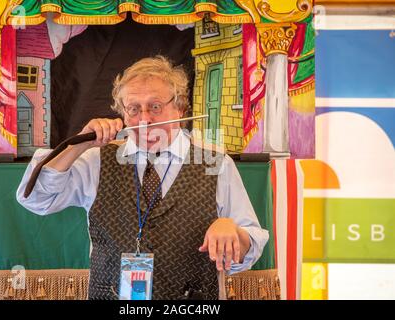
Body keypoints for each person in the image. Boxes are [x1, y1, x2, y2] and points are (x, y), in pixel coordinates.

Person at [17, 55, 268, 300]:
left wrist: (233, 231)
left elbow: (251, 245)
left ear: (180, 107)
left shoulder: (216, 164)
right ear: (123, 114)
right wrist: (78, 145)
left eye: (155, 107)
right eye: (134, 109)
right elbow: (36, 198)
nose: (145, 119)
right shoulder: (95, 160)